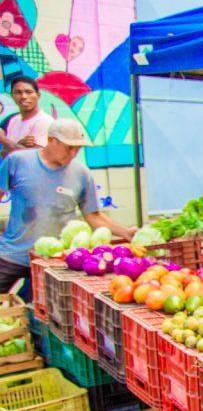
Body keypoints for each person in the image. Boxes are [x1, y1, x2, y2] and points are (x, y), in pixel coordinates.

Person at [0, 119, 136, 297]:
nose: (73, 154)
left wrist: (125, 232)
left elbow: (93, 215)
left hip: (55, 261)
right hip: (13, 254)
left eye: (78, 149)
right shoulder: (17, 161)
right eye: (69, 147)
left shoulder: (81, 173)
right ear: (51, 140)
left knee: (38, 314)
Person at [0, 76, 53, 155]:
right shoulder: (14, 120)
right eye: (18, 92)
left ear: (38, 95)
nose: (23, 96)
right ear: (12, 96)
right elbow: (5, 155)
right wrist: (18, 145)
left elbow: (34, 157)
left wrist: (3, 139)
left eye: (28, 92)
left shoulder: (44, 121)